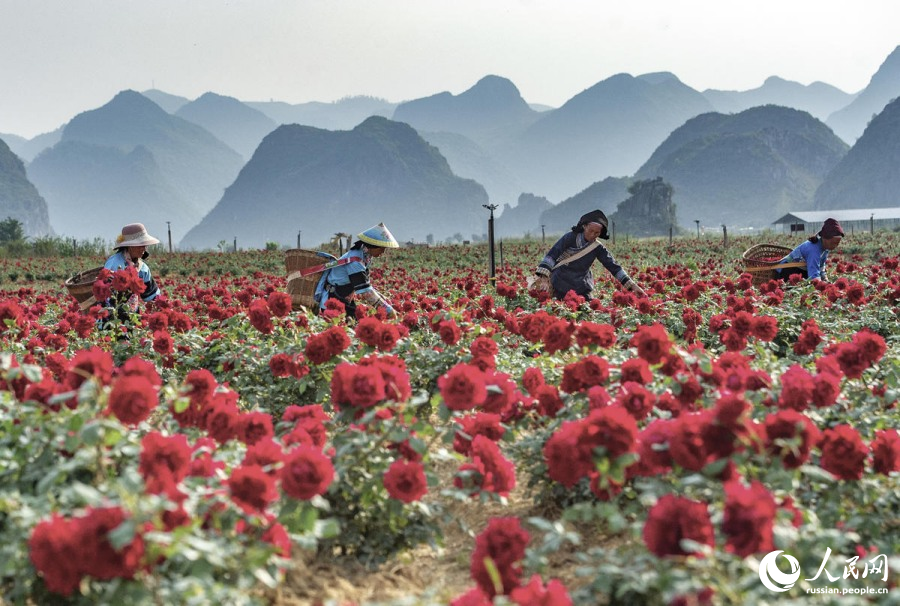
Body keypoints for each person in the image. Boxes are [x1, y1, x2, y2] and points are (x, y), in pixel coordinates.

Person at [532, 209, 646, 300]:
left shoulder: (597, 247)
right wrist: (544, 278)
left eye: (597, 233)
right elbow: (552, 255)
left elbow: (613, 266)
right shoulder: (570, 238)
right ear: (584, 226)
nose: (593, 235)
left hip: (581, 286)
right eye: (591, 231)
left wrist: (632, 286)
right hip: (560, 283)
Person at [315, 222, 398, 318]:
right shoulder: (355, 261)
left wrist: (385, 300)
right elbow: (366, 292)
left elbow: (367, 285)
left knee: (355, 322)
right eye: (382, 248)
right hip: (334, 300)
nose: (383, 252)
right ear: (374, 245)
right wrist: (388, 310)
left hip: (344, 297)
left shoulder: (364, 256)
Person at [102, 223, 162, 326]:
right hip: (110, 319)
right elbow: (103, 294)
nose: (144, 249)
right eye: (141, 245)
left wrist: (162, 307)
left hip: (131, 318)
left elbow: (151, 295)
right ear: (130, 246)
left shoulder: (142, 268)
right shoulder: (114, 264)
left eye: (145, 245)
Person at [776, 217, 844, 282]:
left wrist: (825, 279)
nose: (835, 246)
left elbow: (821, 266)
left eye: (837, 243)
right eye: (833, 243)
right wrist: (821, 285)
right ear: (825, 238)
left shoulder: (825, 248)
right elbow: (814, 275)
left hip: (802, 270)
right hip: (788, 271)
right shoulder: (813, 249)